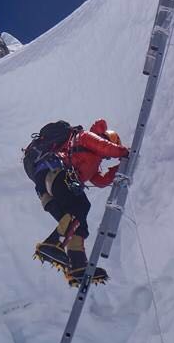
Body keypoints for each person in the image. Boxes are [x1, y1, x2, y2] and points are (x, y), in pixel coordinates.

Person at [25, 119, 129, 285]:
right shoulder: (85, 137)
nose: (107, 157)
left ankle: (77, 265)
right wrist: (126, 152)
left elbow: (101, 181)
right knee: (81, 206)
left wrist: (123, 166)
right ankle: (52, 243)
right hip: (55, 174)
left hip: (49, 187)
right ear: (108, 139)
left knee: (78, 221)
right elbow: (104, 147)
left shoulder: (92, 162)